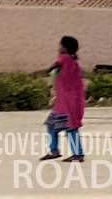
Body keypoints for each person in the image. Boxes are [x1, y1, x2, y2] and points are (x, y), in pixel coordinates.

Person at [41, 35, 86, 163]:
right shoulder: (73, 62)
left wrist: (46, 70)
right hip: (66, 101)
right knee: (52, 125)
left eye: (60, 45)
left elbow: (57, 63)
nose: (58, 48)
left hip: (68, 102)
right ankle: (54, 150)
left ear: (65, 48)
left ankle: (77, 154)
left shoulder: (65, 58)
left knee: (71, 127)